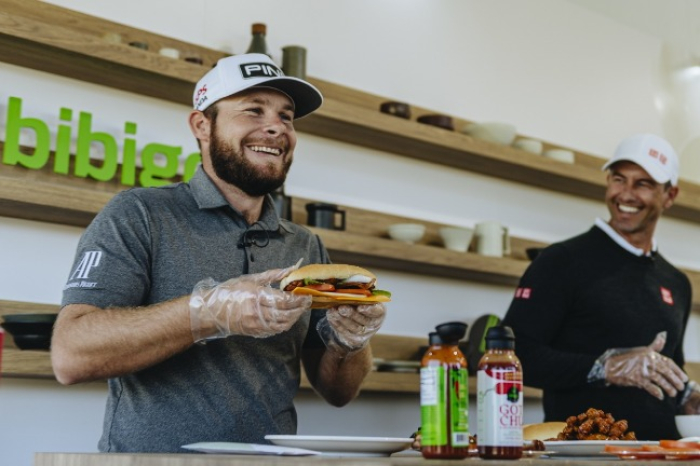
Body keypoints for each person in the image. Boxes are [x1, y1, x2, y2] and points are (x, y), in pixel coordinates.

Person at [51, 53, 387, 453]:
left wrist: (350, 343)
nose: (276, 127)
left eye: (286, 116)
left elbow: (338, 391)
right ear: (202, 126)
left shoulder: (305, 246)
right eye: (253, 110)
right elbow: (70, 355)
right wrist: (207, 312)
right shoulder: (139, 214)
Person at [502, 133, 700, 440]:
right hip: (584, 454)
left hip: (663, 454)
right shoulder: (561, 260)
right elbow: (514, 355)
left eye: (643, 183)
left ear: (670, 196)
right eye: (619, 179)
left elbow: (669, 369)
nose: (626, 194)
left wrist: (688, 396)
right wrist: (603, 368)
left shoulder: (676, 283)